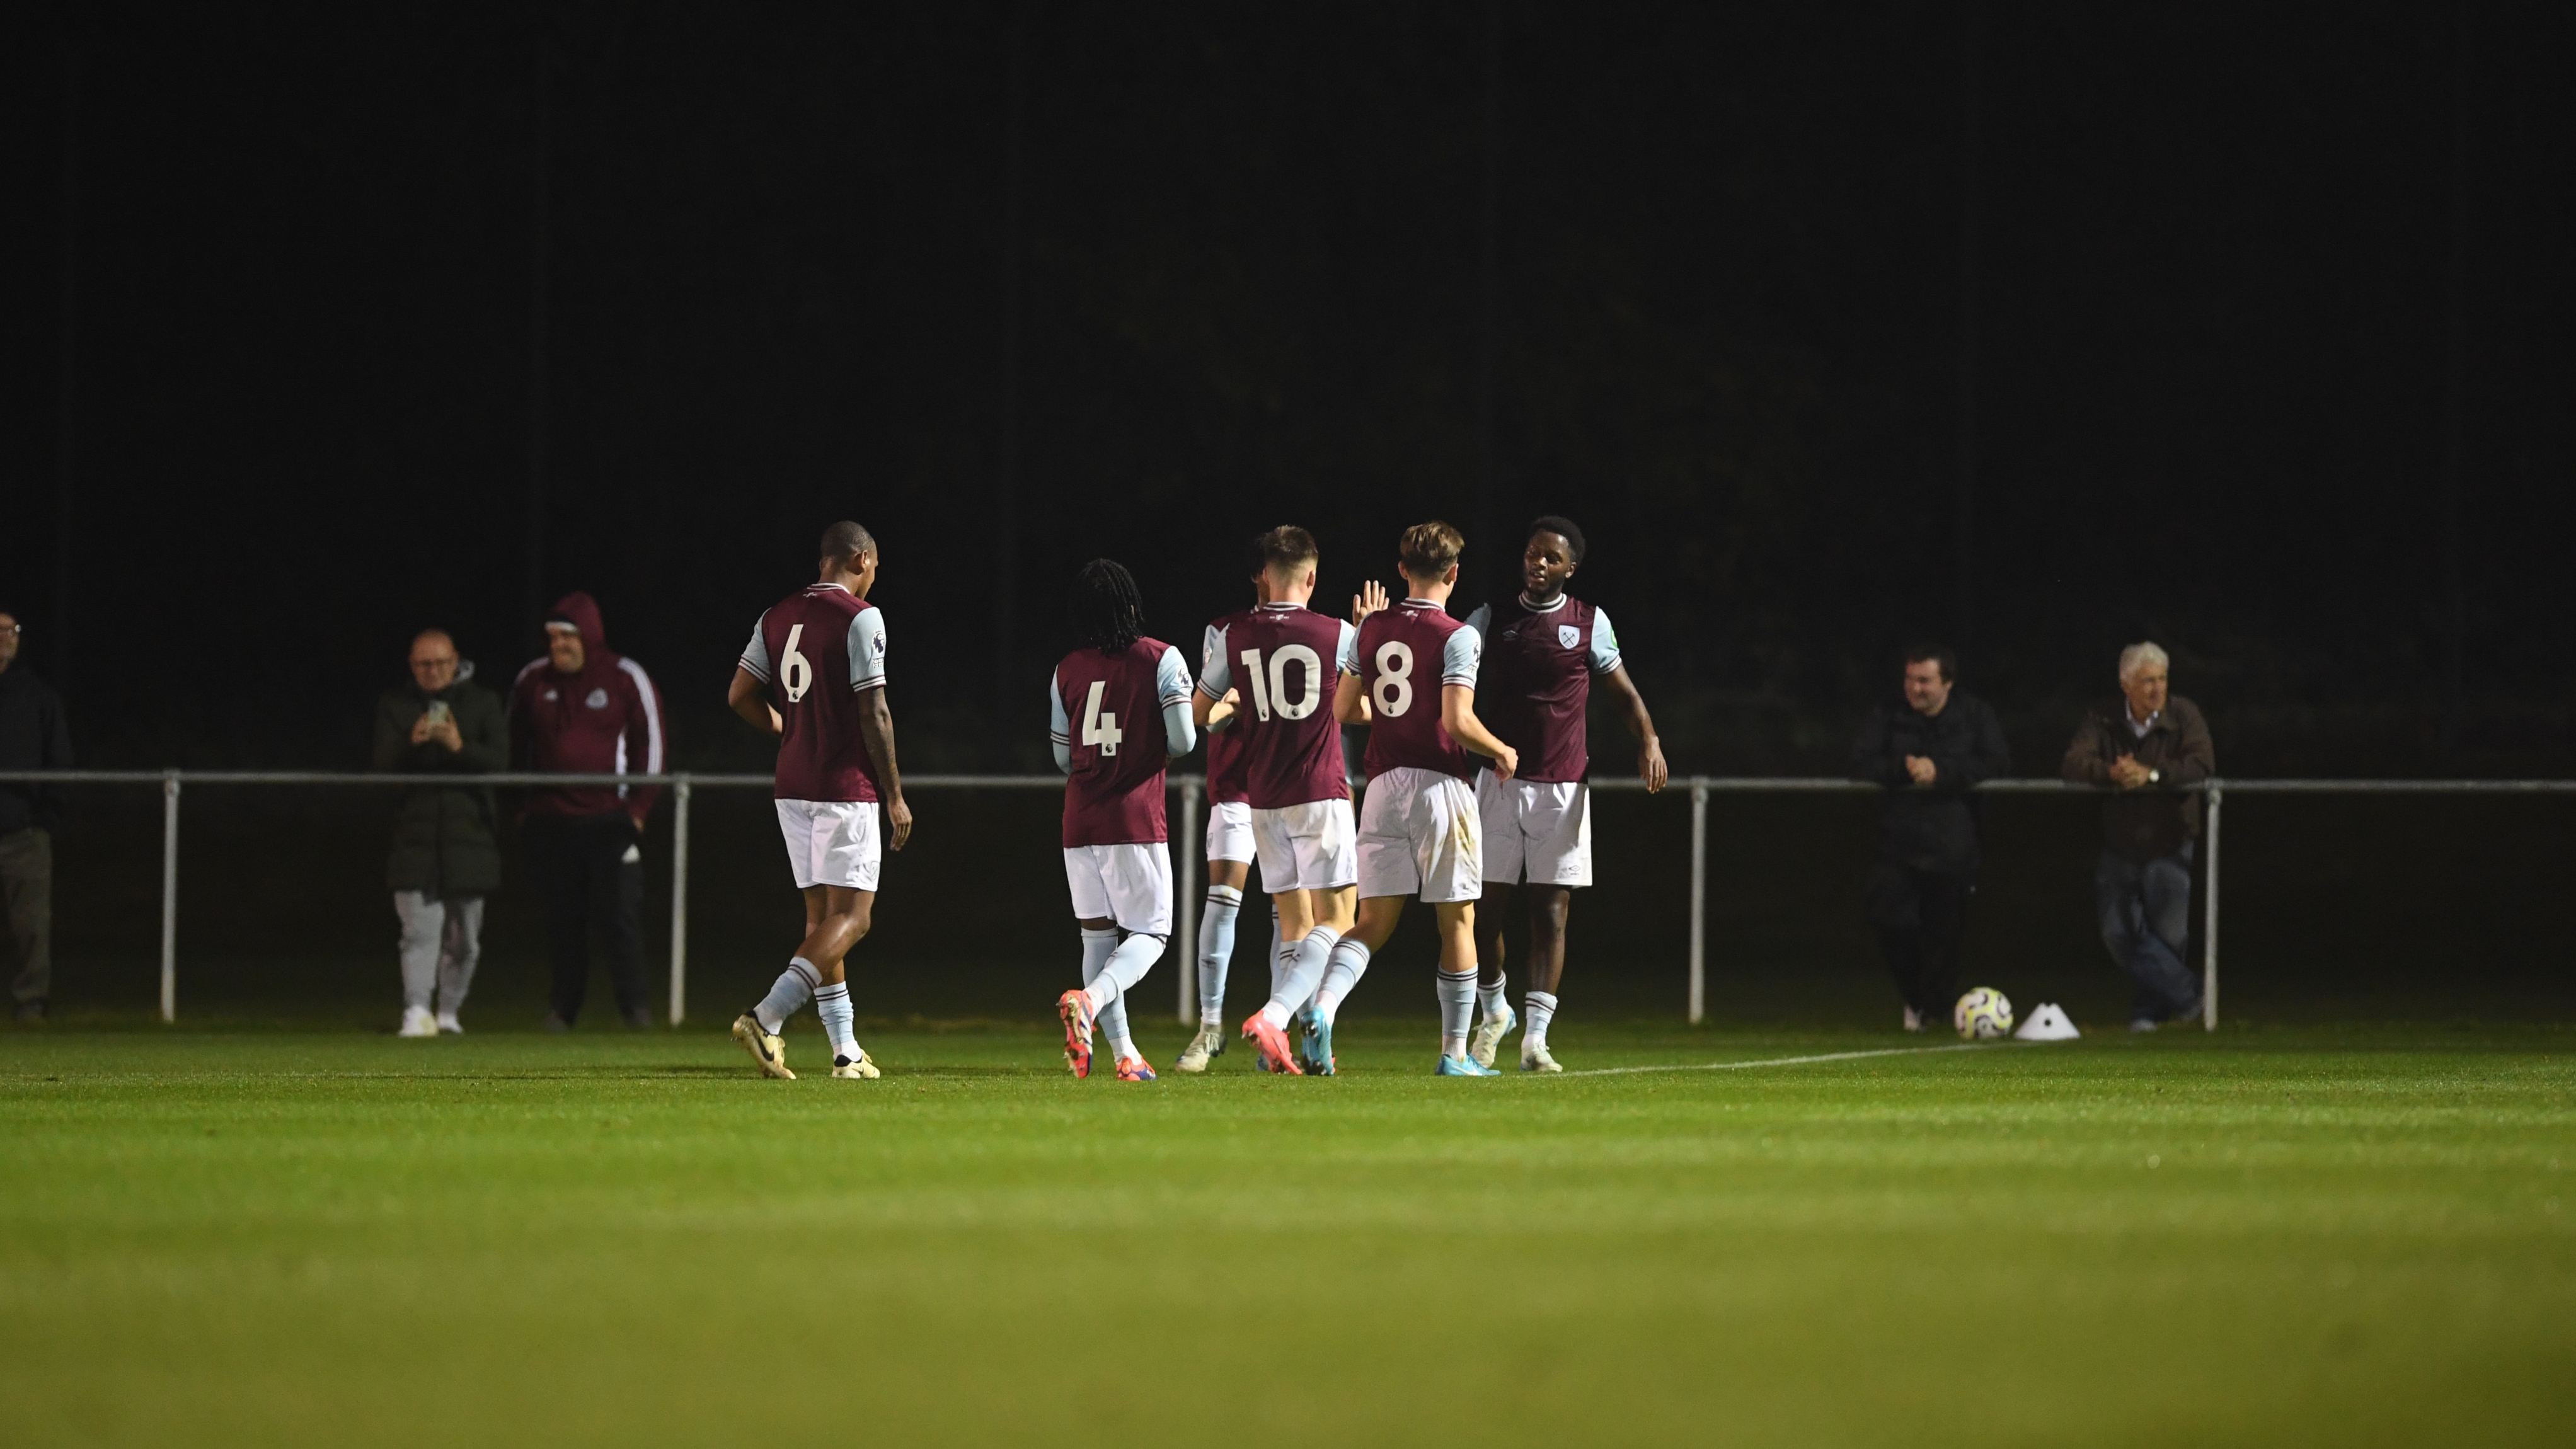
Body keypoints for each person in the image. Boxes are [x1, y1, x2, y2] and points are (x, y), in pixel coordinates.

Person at [1462, 516, 1667, 1072]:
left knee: (1550, 912)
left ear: (1569, 568)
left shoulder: (1589, 622)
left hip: (1563, 789)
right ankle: (1493, 1011)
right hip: (1498, 783)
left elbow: (1623, 695)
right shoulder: (1490, 618)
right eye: (1533, 554)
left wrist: (1648, 739)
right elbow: (1447, 669)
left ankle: (1536, 1039)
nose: (1539, 564)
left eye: (1551, 558)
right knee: (1483, 911)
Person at [1326, 522, 1519, 1075]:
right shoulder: (1459, 635)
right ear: (1455, 573)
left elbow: (1344, 710)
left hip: (1383, 788)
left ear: (1402, 569)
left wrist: (1396, 715)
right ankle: (1455, 1055)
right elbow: (1457, 722)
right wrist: (1501, 750)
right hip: (1440, 787)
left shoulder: (1369, 629)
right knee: (1457, 923)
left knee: (1369, 924)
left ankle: (1320, 1008)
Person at [726, 521, 912, 1080]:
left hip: (793, 784)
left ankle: (845, 1051)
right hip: (842, 787)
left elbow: (738, 694)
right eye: (875, 567)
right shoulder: (860, 618)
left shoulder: (776, 615)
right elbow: (874, 710)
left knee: (820, 921)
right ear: (860, 559)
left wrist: (786, 727)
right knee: (855, 917)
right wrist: (895, 795)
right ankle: (768, 1016)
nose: (874, 578)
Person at [1193, 525, 1381, 1074]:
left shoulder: (1234, 635)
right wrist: (1365, 638)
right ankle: (1275, 1016)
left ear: (1265, 574)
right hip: (1319, 791)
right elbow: (1361, 705)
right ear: (1313, 577)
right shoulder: (1338, 633)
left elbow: (1201, 714)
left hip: (1263, 801)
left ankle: (1276, 1054)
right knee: (1340, 917)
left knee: (1296, 927)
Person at [1048, 559, 1197, 1081]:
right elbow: (1182, 741)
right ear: (1131, 603)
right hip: (1132, 819)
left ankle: (1124, 1055)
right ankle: (1088, 1001)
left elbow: (1064, 758)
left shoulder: (1065, 669)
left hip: (1079, 821)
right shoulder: (1161, 657)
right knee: (1153, 934)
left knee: (1098, 940)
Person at [508, 591, 668, 1030]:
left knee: (621, 919)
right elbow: (513, 746)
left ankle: (636, 1013)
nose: (558, 647)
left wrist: (637, 810)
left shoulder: (624, 677)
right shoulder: (532, 680)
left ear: (589, 636)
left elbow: (650, 745)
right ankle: (562, 1011)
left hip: (609, 823)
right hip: (552, 824)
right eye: (552, 638)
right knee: (562, 924)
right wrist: (522, 807)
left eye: (567, 638)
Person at [1848, 645, 2011, 1031]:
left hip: (1953, 844)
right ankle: (1919, 1001)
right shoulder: (1889, 714)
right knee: (1887, 917)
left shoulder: (1975, 716)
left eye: (1924, 680)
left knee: (1945, 934)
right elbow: (1860, 760)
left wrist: (1941, 771)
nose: (1914, 688)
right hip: (1898, 843)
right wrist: (1903, 771)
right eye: (1909, 679)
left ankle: (1933, 1014)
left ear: (1948, 683)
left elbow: (1997, 760)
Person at [2061, 641, 2216, 1031]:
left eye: (2162, 679)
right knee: (2117, 933)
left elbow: (2201, 765)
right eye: (2147, 681)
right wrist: (2111, 773)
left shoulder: (2184, 714)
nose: (2157, 689)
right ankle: (2193, 997)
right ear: (2125, 683)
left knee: (2168, 936)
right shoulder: (2102, 717)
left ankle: (2147, 1016)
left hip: (2170, 841)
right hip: (2121, 844)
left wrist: (2153, 775)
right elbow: (2074, 763)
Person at [372, 629, 507, 1036]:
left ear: (457, 661)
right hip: (413, 838)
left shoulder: (483, 703)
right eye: (423, 665)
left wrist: (458, 746)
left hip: (469, 838)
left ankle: (448, 1013)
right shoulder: (396, 705)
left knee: (465, 940)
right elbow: (382, 765)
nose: (432, 672)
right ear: (412, 667)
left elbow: (499, 763)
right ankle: (416, 1011)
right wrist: (410, 744)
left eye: (440, 663)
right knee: (417, 933)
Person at [1174, 559, 1272, 1074]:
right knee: (1223, 903)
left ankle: (1277, 1030)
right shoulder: (1226, 632)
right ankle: (1210, 1028)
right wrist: (1227, 706)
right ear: (1257, 574)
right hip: (1236, 789)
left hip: (1291, 792)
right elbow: (1206, 716)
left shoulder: (1314, 631)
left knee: (1293, 914)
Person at [0, 610, 72, 1023]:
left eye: (11, 631)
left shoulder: (38, 696)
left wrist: (48, 816)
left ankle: (30, 1004)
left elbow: (59, 759)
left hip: (23, 833)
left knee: (31, 926)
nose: (4, 637)